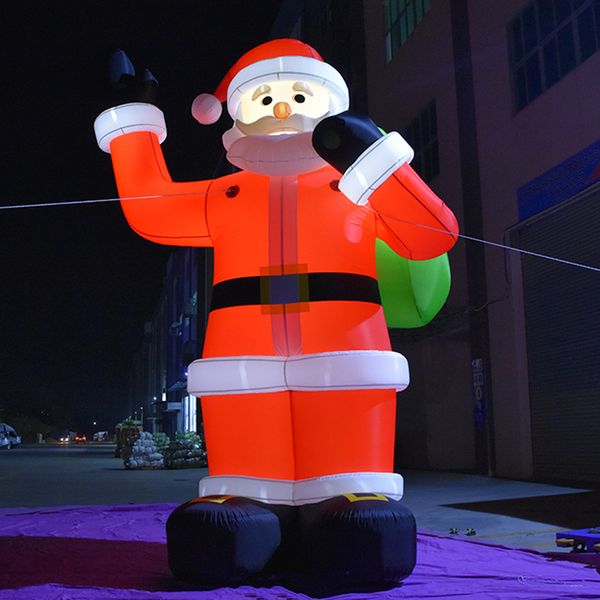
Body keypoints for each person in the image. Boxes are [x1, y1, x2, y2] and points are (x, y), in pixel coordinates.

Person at [94, 38, 458, 586]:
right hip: (242, 350)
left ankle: (346, 501)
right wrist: (134, 123)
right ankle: (245, 503)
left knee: (351, 480)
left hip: (345, 343)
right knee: (241, 463)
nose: (281, 108)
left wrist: (376, 161)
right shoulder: (225, 194)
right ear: (236, 114)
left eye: (296, 96)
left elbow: (431, 236)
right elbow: (152, 209)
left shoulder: (359, 186)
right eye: (262, 99)